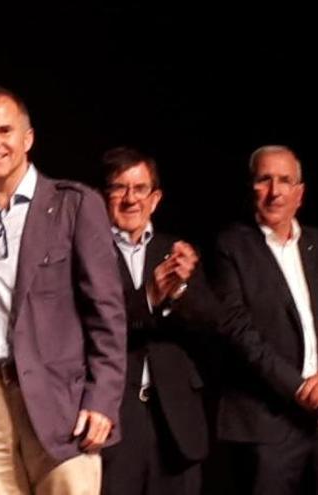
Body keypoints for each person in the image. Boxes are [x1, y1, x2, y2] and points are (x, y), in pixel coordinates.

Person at [0, 86, 127, 494]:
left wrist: (102, 400)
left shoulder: (73, 204)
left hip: (60, 400)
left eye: (4, 130)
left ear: (28, 138)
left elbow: (107, 312)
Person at [211, 145, 318, 494]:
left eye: (285, 180)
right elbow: (239, 331)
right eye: (265, 179)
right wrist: (300, 389)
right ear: (251, 187)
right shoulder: (230, 246)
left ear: (300, 193)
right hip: (267, 424)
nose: (275, 190)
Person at [98, 147, 216, 495]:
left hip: (176, 421)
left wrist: (179, 292)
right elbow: (96, 323)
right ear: (104, 196)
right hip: (114, 418)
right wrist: (149, 296)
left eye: (140, 188)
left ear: (156, 198)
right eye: (119, 188)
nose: (130, 199)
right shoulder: (88, 251)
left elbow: (212, 323)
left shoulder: (176, 251)